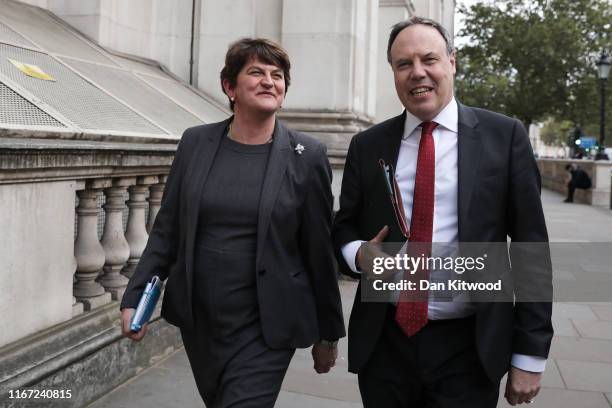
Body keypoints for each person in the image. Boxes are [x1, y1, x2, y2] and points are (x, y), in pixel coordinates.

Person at [332, 17, 553, 407]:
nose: (418, 73)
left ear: (452, 61)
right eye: (404, 64)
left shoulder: (504, 137)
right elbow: (344, 226)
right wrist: (359, 254)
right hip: (385, 346)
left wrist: (529, 356)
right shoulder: (367, 145)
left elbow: (530, 249)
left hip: (469, 347)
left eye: (429, 59)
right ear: (394, 73)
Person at [120, 38, 345, 407]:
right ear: (230, 86)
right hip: (202, 322)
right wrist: (137, 297)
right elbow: (168, 228)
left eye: (278, 75)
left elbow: (319, 250)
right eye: (256, 72)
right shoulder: (196, 143)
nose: (269, 81)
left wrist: (329, 334)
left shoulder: (307, 156)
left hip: (268, 327)